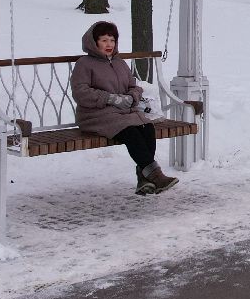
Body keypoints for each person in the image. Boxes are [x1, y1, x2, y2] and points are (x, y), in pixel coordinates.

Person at [70, 21, 178, 195]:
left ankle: (144, 178)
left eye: (112, 40)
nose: (109, 44)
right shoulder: (85, 64)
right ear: (94, 42)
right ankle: (155, 175)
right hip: (95, 115)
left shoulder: (119, 63)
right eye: (104, 40)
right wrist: (110, 98)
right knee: (131, 132)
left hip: (121, 113)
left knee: (147, 127)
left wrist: (131, 96)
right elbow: (80, 92)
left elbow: (133, 86)